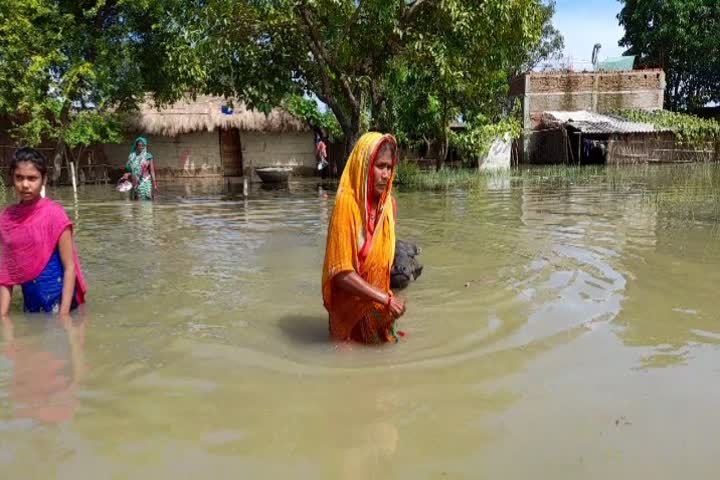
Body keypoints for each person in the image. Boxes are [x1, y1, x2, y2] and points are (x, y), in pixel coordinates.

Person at [321, 132, 406, 344]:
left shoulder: (388, 207)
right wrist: (386, 299)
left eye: (389, 167)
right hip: (348, 320)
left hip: (378, 312)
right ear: (364, 166)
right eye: (380, 166)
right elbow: (341, 272)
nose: (386, 175)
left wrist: (389, 302)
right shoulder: (346, 206)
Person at [0, 148, 87, 317]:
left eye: (32, 178)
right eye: (19, 177)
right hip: (31, 306)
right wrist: (3, 319)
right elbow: (6, 275)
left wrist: (64, 317)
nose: (25, 184)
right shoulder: (7, 219)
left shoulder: (55, 215)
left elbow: (70, 268)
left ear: (44, 179)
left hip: (62, 304)